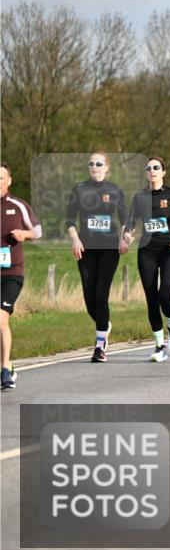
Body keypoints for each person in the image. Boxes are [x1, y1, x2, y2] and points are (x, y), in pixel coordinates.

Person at [121, 157, 170, 363]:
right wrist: (127, 234)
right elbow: (130, 221)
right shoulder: (139, 196)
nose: (152, 171)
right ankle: (159, 345)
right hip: (147, 251)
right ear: (146, 173)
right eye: (149, 168)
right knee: (151, 298)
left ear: (163, 172)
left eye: (156, 168)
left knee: (165, 294)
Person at [66, 152, 128, 363]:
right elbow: (69, 220)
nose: (94, 166)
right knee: (90, 300)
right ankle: (104, 324)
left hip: (109, 249)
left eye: (99, 163)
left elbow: (125, 219)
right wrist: (75, 239)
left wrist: (125, 238)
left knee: (101, 295)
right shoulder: (79, 189)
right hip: (86, 249)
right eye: (91, 163)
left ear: (106, 168)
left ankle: (99, 346)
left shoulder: (115, 190)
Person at [1, 163, 42, 390]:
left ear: (9, 180)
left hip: (11, 273)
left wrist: (23, 234)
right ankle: (6, 365)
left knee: (0, 319)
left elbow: (39, 232)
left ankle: (5, 370)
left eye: (0, 178)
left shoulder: (18, 206)